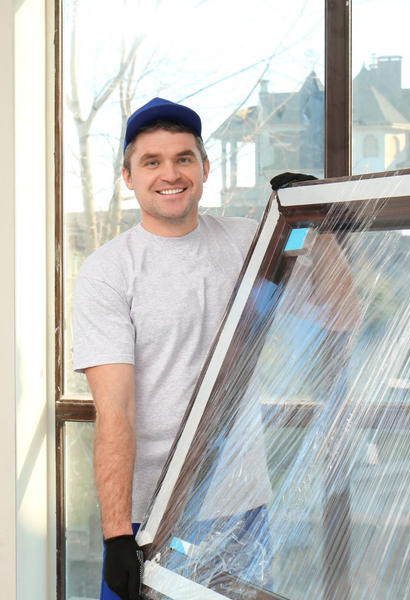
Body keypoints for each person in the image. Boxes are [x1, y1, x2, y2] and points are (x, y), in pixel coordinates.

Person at [73, 96, 316, 600]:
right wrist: (118, 534)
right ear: (128, 176)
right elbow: (115, 408)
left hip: (240, 504)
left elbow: (338, 313)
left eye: (183, 158)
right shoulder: (109, 270)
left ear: (204, 169)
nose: (170, 173)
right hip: (151, 515)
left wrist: (314, 222)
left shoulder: (251, 243)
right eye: (152, 161)